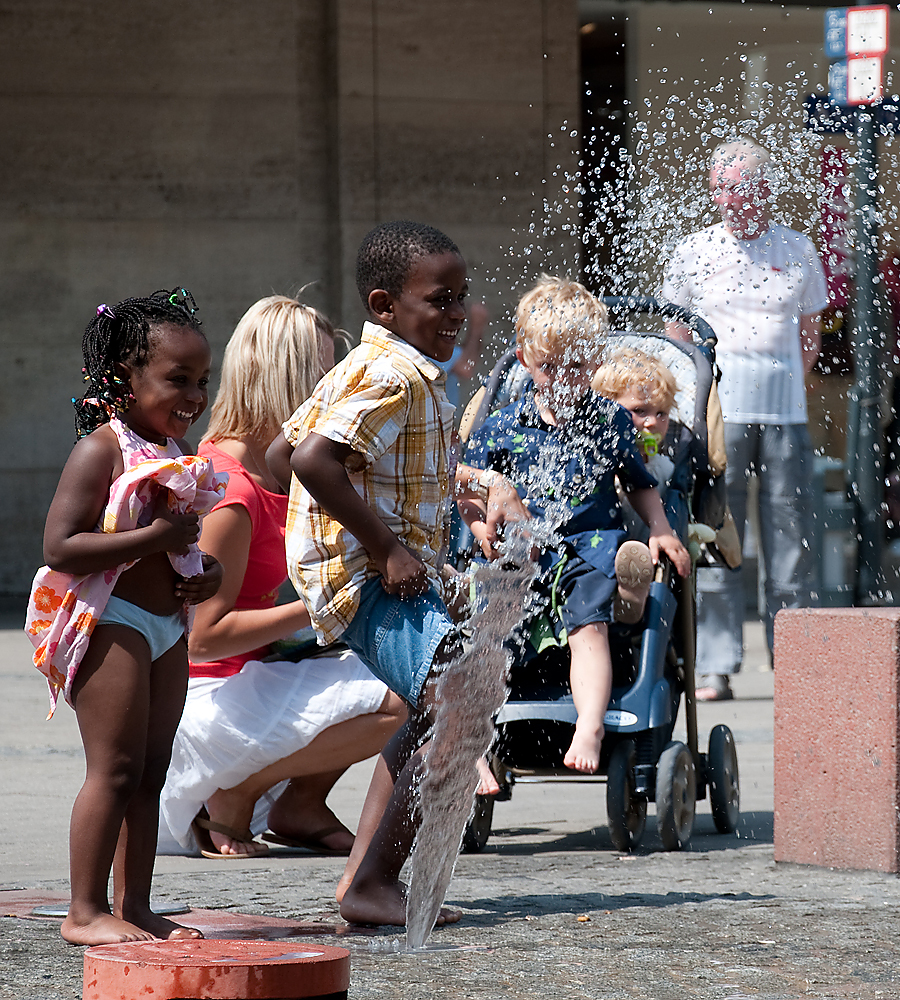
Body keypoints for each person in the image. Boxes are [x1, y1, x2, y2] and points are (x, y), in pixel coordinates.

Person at [278, 220, 528, 928]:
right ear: (386, 305)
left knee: (438, 703)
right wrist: (386, 547)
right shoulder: (393, 374)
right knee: (458, 695)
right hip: (368, 575)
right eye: (439, 300)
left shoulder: (368, 365)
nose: (455, 315)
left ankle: (368, 877)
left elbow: (282, 449)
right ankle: (374, 883)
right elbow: (309, 462)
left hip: (361, 569)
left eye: (462, 298)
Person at [158, 296, 406, 860]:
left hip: (250, 679)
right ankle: (240, 790)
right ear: (285, 378)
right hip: (209, 697)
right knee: (401, 691)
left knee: (401, 660)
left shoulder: (266, 467)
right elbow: (203, 637)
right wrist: (325, 604)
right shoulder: (232, 492)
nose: (336, 385)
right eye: (323, 373)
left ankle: (300, 806)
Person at [24, 290, 225, 945]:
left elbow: (179, 543)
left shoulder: (177, 447)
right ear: (124, 378)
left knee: (152, 768)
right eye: (177, 380)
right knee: (112, 769)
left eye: (202, 380)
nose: (194, 395)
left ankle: (134, 905)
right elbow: (61, 547)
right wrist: (155, 541)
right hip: (112, 624)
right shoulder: (103, 450)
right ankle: (83, 912)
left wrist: (203, 574)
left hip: (167, 628)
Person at [465, 277, 691, 775]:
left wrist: (660, 528)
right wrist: (480, 528)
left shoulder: (609, 418)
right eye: (551, 367)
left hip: (588, 546)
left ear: (597, 361)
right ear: (525, 361)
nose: (566, 378)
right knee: (486, 630)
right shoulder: (503, 424)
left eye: (580, 365)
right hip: (520, 549)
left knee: (588, 627)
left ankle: (590, 722)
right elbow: (470, 486)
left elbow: (638, 482)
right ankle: (476, 742)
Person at [662, 138, 828, 701]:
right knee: (714, 536)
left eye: (742, 187)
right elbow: (679, 341)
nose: (732, 198)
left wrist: (781, 386)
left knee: (791, 542)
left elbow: (810, 339)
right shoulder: (693, 251)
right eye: (722, 187)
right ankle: (715, 663)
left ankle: (797, 661)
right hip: (718, 419)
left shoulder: (799, 248)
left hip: (786, 417)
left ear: (766, 189)